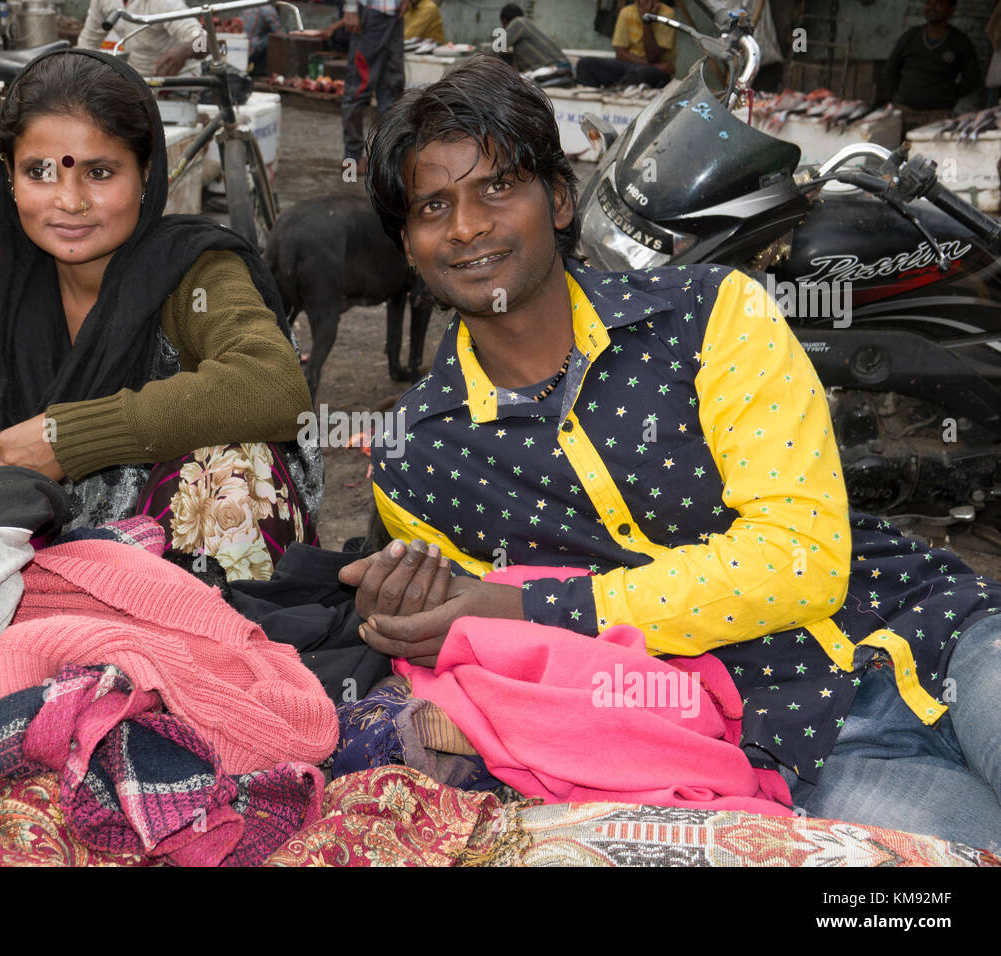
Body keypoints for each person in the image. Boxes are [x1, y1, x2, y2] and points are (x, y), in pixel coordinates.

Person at [341, 54, 1001, 851]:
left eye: (496, 187)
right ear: (409, 248)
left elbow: (799, 560)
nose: (469, 226)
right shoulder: (417, 462)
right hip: (798, 741)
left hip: (937, 627)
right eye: (432, 207)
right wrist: (411, 615)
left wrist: (529, 606)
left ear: (556, 200)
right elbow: (514, 654)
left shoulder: (711, 314)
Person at [0, 50, 320, 581]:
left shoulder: (195, 275)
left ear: (145, 171)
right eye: (39, 172)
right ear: (8, 176)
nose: (70, 201)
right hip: (36, 573)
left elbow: (274, 385)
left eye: (99, 172)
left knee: (233, 472)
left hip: (183, 579)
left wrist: (64, 439)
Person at [881, 0, 982, 130]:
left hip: (938, 116)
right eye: (929, 3)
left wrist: (949, 94)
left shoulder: (959, 42)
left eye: (939, 3)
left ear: (952, 9)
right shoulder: (910, 37)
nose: (932, 8)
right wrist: (901, 93)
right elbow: (890, 71)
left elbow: (972, 79)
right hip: (904, 112)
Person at [340, 0, 408, 178]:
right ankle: (352, 158)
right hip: (369, 15)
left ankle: (387, 158)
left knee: (392, 90)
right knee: (358, 90)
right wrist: (350, 8)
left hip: (394, 15)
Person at [77, 0, 209, 77]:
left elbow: (205, 42)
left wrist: (185, 51)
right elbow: (88, 42)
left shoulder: (165, 2)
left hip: (178, 82)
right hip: (138, 81)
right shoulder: (103, 1)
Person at [575, 0, 676, 89]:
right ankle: (619, 86)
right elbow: (621, 54)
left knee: (643, 74)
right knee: (585, 64)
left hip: (653, 73)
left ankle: (618, 86)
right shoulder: (626, 12)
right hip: (634, 66)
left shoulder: (667, 14)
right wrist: (656, 66)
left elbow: (653, 57)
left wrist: (646, 21)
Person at [496, 3, 564, 74]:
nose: (504, 27)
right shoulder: (524, 28)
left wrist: (484, 57)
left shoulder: (518, 22)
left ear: (505, 20)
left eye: (503, 24)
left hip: (554, 68)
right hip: (559, 67)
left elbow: (496, 49)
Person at [239, 3, 285, 76]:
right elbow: (280, 35)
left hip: (241, 47)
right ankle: (262, 71)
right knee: (271, 38)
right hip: (252, 51)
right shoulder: (268, 9)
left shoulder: (248, 4)